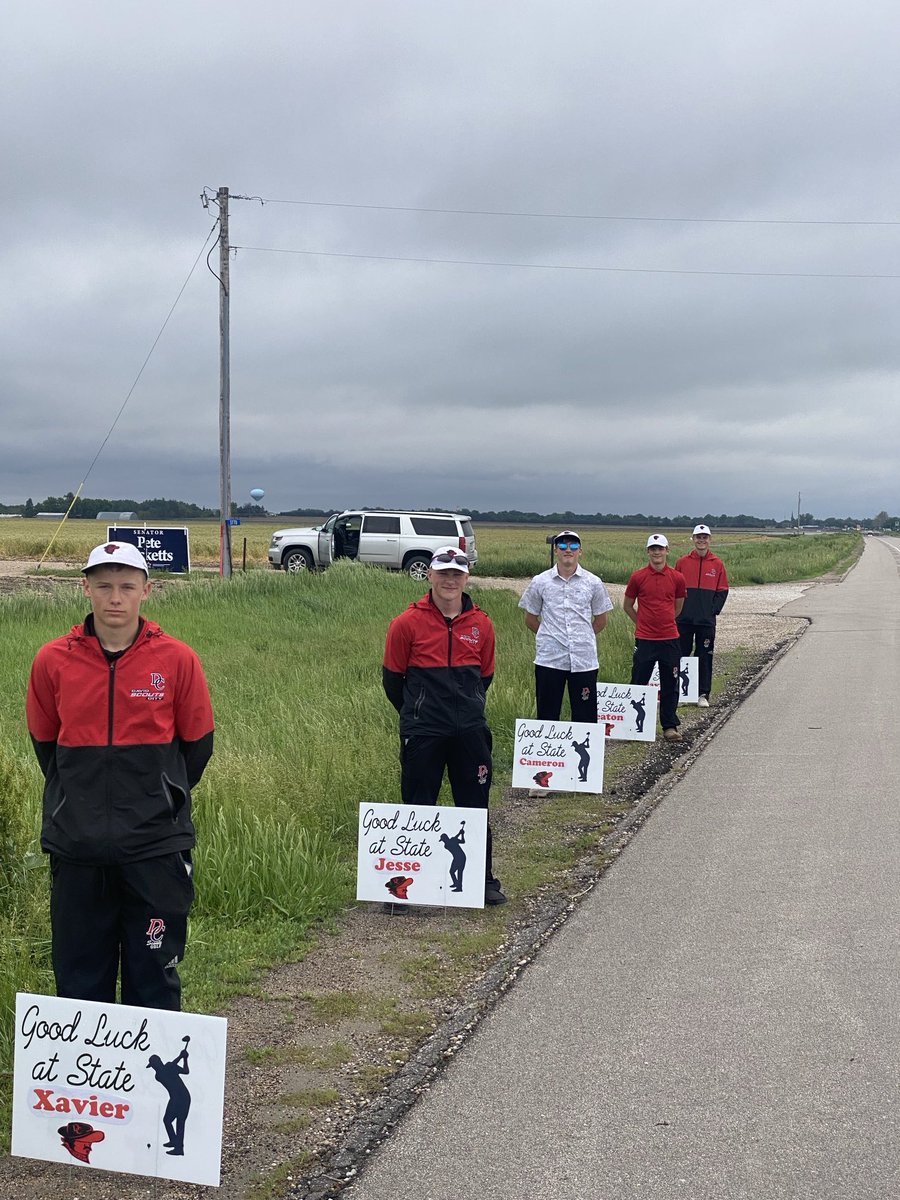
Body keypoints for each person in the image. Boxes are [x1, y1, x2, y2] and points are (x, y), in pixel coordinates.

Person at [26, 541, 214, 1010]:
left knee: (154, 977)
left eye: (127, 586)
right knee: (79, 981)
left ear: (146, 591)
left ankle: (152, 1063)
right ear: (85, 588)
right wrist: (80, 800)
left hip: (155, 848)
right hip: (77, 847)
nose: (115, 597)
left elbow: (197, 746)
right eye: (104, 585)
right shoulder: (52, 660)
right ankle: (85, 1063)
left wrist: (158, 797)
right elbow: (46, 745)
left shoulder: (177, 659)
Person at [383, 546, 505, 905]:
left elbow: (485, 676)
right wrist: (418, 714)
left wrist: (465, 710)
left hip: (470, 731)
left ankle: (482, 881)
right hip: (424, 732)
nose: (450, 580)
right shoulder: (405, 623)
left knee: (475, 806)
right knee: (418, 806)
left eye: (457, 574)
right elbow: (392, 681)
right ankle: (405, 887)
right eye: (443, 573)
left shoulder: (482, 624)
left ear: (466, 578)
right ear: (430, 576)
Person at [519, 530, 614, 723]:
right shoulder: (540, 581)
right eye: (562, 545)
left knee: (585, 716)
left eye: (573, 545)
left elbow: (601, 620)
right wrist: (550, 636)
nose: (568, 549)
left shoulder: (593, 582)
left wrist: (583, 637)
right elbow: (530, 619)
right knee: (547, 715)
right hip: (549, 660)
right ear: (556, 550)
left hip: (584, 660)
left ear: (580, 551)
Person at [623, 534, 686, 742]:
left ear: (667, 551)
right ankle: (634, 727)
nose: (657, 552)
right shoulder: (638, 577)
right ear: (648, 552)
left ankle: (669, 726)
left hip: (669, 639)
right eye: (653, 549)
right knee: (638, 681)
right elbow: (627, 605)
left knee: (670, 684)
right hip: (645, 640)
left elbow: (678, 606)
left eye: (660, 548)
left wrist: (665, 621)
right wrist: (641, 623)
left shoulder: (677, 577)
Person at [676, 524, 729, 707]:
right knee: (681, 655)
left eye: (704, 537)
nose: (701, 540)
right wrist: (678, 611)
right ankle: (681, 694)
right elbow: (675, 589)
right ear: (693, 539)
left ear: (709, 540)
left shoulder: (717, 563)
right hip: (684, 619)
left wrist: (711, 610)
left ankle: (702, 694)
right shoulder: (682, 562)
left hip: (706, 621)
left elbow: (722, 590)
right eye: (698, 537)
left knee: (704, 656)